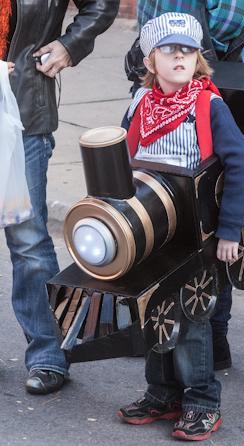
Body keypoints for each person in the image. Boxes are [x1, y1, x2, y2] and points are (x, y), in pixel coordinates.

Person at [118, 13, 244, 440]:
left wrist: (231, 230)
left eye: (188, 50)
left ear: (198, 59)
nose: (179, 56)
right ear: (150, 60)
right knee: (152, 311)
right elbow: (124, 162)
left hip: (196, 232)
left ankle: (201, 400)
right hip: (150, 230)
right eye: (168, 49)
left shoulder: (208, 105)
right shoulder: (140, 104)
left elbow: (242, 164)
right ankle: (162, 392)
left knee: (192, 317)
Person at [0, 0, 119, 395]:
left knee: (27, 236)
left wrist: (70, 45)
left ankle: (49, 353)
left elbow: (101, 5)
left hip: (23, 113)